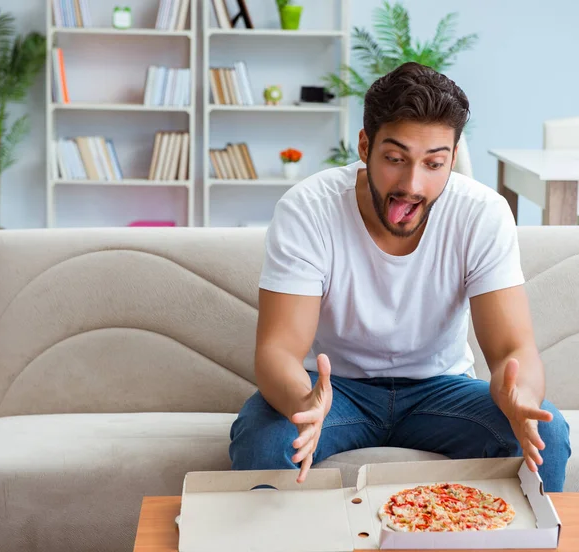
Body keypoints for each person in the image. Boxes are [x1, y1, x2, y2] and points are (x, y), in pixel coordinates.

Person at [228, 62, 571, 492]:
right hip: (338, 392)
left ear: (452, 159)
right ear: (364, 145)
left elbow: (512, 349)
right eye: (395, 159)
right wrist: (305, 403)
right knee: (264, 437)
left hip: (441, 390)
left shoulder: (481, 214)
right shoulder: (308, 209)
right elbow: (278, 349)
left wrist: (519, 398)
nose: (412, 183)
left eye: (434, 164)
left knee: (548, 435)